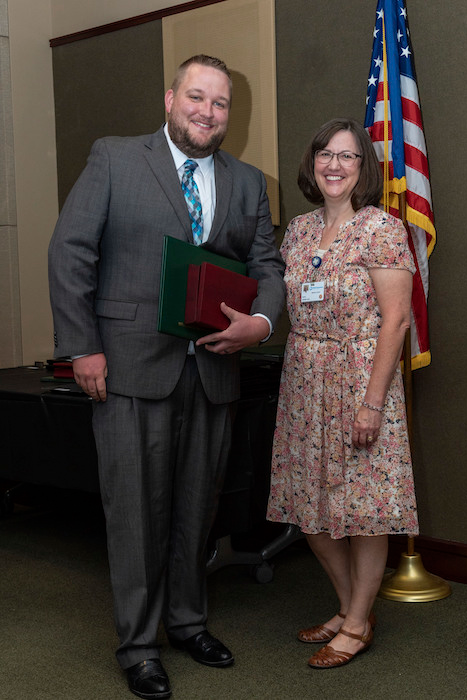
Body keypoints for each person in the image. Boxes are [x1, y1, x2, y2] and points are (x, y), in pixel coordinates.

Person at [48, 54, 285, 699]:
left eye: (220, 103)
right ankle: (139, 645)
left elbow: (266, 265)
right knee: (135, 513)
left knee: (194, 510)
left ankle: (186, 622)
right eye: (197, 97)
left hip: (212, 369)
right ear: (169, 98)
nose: (208, 112)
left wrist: (259, 324)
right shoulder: (115, 158)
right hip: (127, 367)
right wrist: (83, 348)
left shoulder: (246, 182)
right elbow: (71, 251)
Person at [266, 118, 418, 669]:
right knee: (310, 509)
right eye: (325, 154)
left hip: (359, 377)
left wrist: (372, 401)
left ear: (363, 168)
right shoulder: (300, 230)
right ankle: (351, 606)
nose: (334, 164)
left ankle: (355, 623)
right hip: (303, 380)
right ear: (312, 163)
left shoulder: (380, 227)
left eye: (347, 156)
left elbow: (396, 320)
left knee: (362, 510)